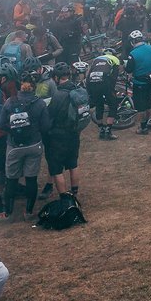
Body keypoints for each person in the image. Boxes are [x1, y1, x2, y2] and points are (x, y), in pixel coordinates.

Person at [0, 68, 50, 220]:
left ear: (20, 85)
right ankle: (28, 212)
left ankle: (7, 213)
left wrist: (13, 131)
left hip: (14, 146)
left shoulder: (10, 102)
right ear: (34, 86)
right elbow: (46, 126)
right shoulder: (40, 103)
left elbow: (1, 124)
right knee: (31, 179)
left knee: (11, 180)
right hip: (34, 145)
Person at [44, 62, 84, 199]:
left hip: (58, 137)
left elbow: (49, 117)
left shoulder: (58, 95)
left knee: (56, 169)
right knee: (73, 164)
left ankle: (65, 198)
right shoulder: (77, 90)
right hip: (74, 133)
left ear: (56, 78)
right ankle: (75, 192)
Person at [125, 30, 151, 134]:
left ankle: (142, 127)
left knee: (140, 107)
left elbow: (129, 69)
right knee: (148, 104)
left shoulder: (133, 53)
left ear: (132, 41)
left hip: (139, 83)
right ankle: (147, 123)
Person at [86, 49, 122, 140]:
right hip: (105, 81)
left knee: (99, 105)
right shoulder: (115, 59)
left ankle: (101, 130)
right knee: (113, 105)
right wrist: (112, 91)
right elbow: (114, 76)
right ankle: (108, 131)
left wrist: (89, 91)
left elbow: (88, 74)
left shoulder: (96, 59)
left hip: (92, 81)